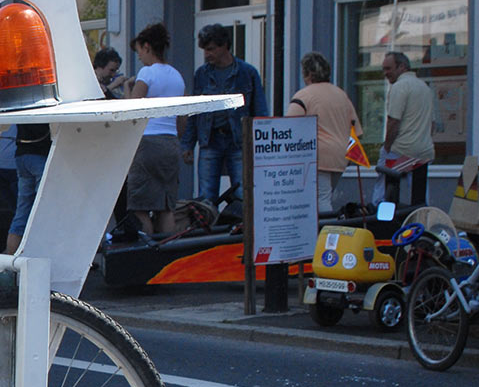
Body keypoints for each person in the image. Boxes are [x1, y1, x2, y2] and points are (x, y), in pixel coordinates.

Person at [181, 23, 268, 204]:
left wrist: (261, 143)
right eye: (205, 49)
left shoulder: (247, 73)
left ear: (224, 46)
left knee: (242, 194)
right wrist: (188, 144)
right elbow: (195, 111)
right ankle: (208, 231)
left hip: (238, 140)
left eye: (211, 49)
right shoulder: (202, 74)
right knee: (206, 196)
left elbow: (259, 111)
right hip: (210, 139)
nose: (207, 54)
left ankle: (239, 229)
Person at [124, 23, 186, 235]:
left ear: (147, 46)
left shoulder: (147, 73)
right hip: (170, 142)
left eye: (139, 50)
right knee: (166, 206)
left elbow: (132, 110)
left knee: (140, 206)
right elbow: (182, 117)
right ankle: (165, 250)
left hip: (147, 142)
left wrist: (127, 88)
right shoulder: (177, 76)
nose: (139, 56)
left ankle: (146, 250)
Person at [286, 52, 360, 216]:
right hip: (341, 156)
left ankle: (325, 235)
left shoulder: (304, 96)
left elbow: (287, 128)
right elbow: (356, 130)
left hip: (316, 156)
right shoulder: (341, 95)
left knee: (320, 199)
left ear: (307, 74)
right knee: (324, 196)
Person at [378, 50, 436, 207]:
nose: (385, 73)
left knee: (386, 194)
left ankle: (384, 222)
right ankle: (420, 222)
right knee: (419, 196)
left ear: (402, 67)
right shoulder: (425, 88)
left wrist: (387, 147)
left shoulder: (399, 87)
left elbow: (393, 121)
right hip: (423, 150)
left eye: (389, 68)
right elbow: (432, 124)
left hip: (401, 150)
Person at [4, 121, 50, 253]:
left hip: (22, 155)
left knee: (22, 214)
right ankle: (41, 257)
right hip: (40, 155)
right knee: (42, 211)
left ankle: (12, 263)